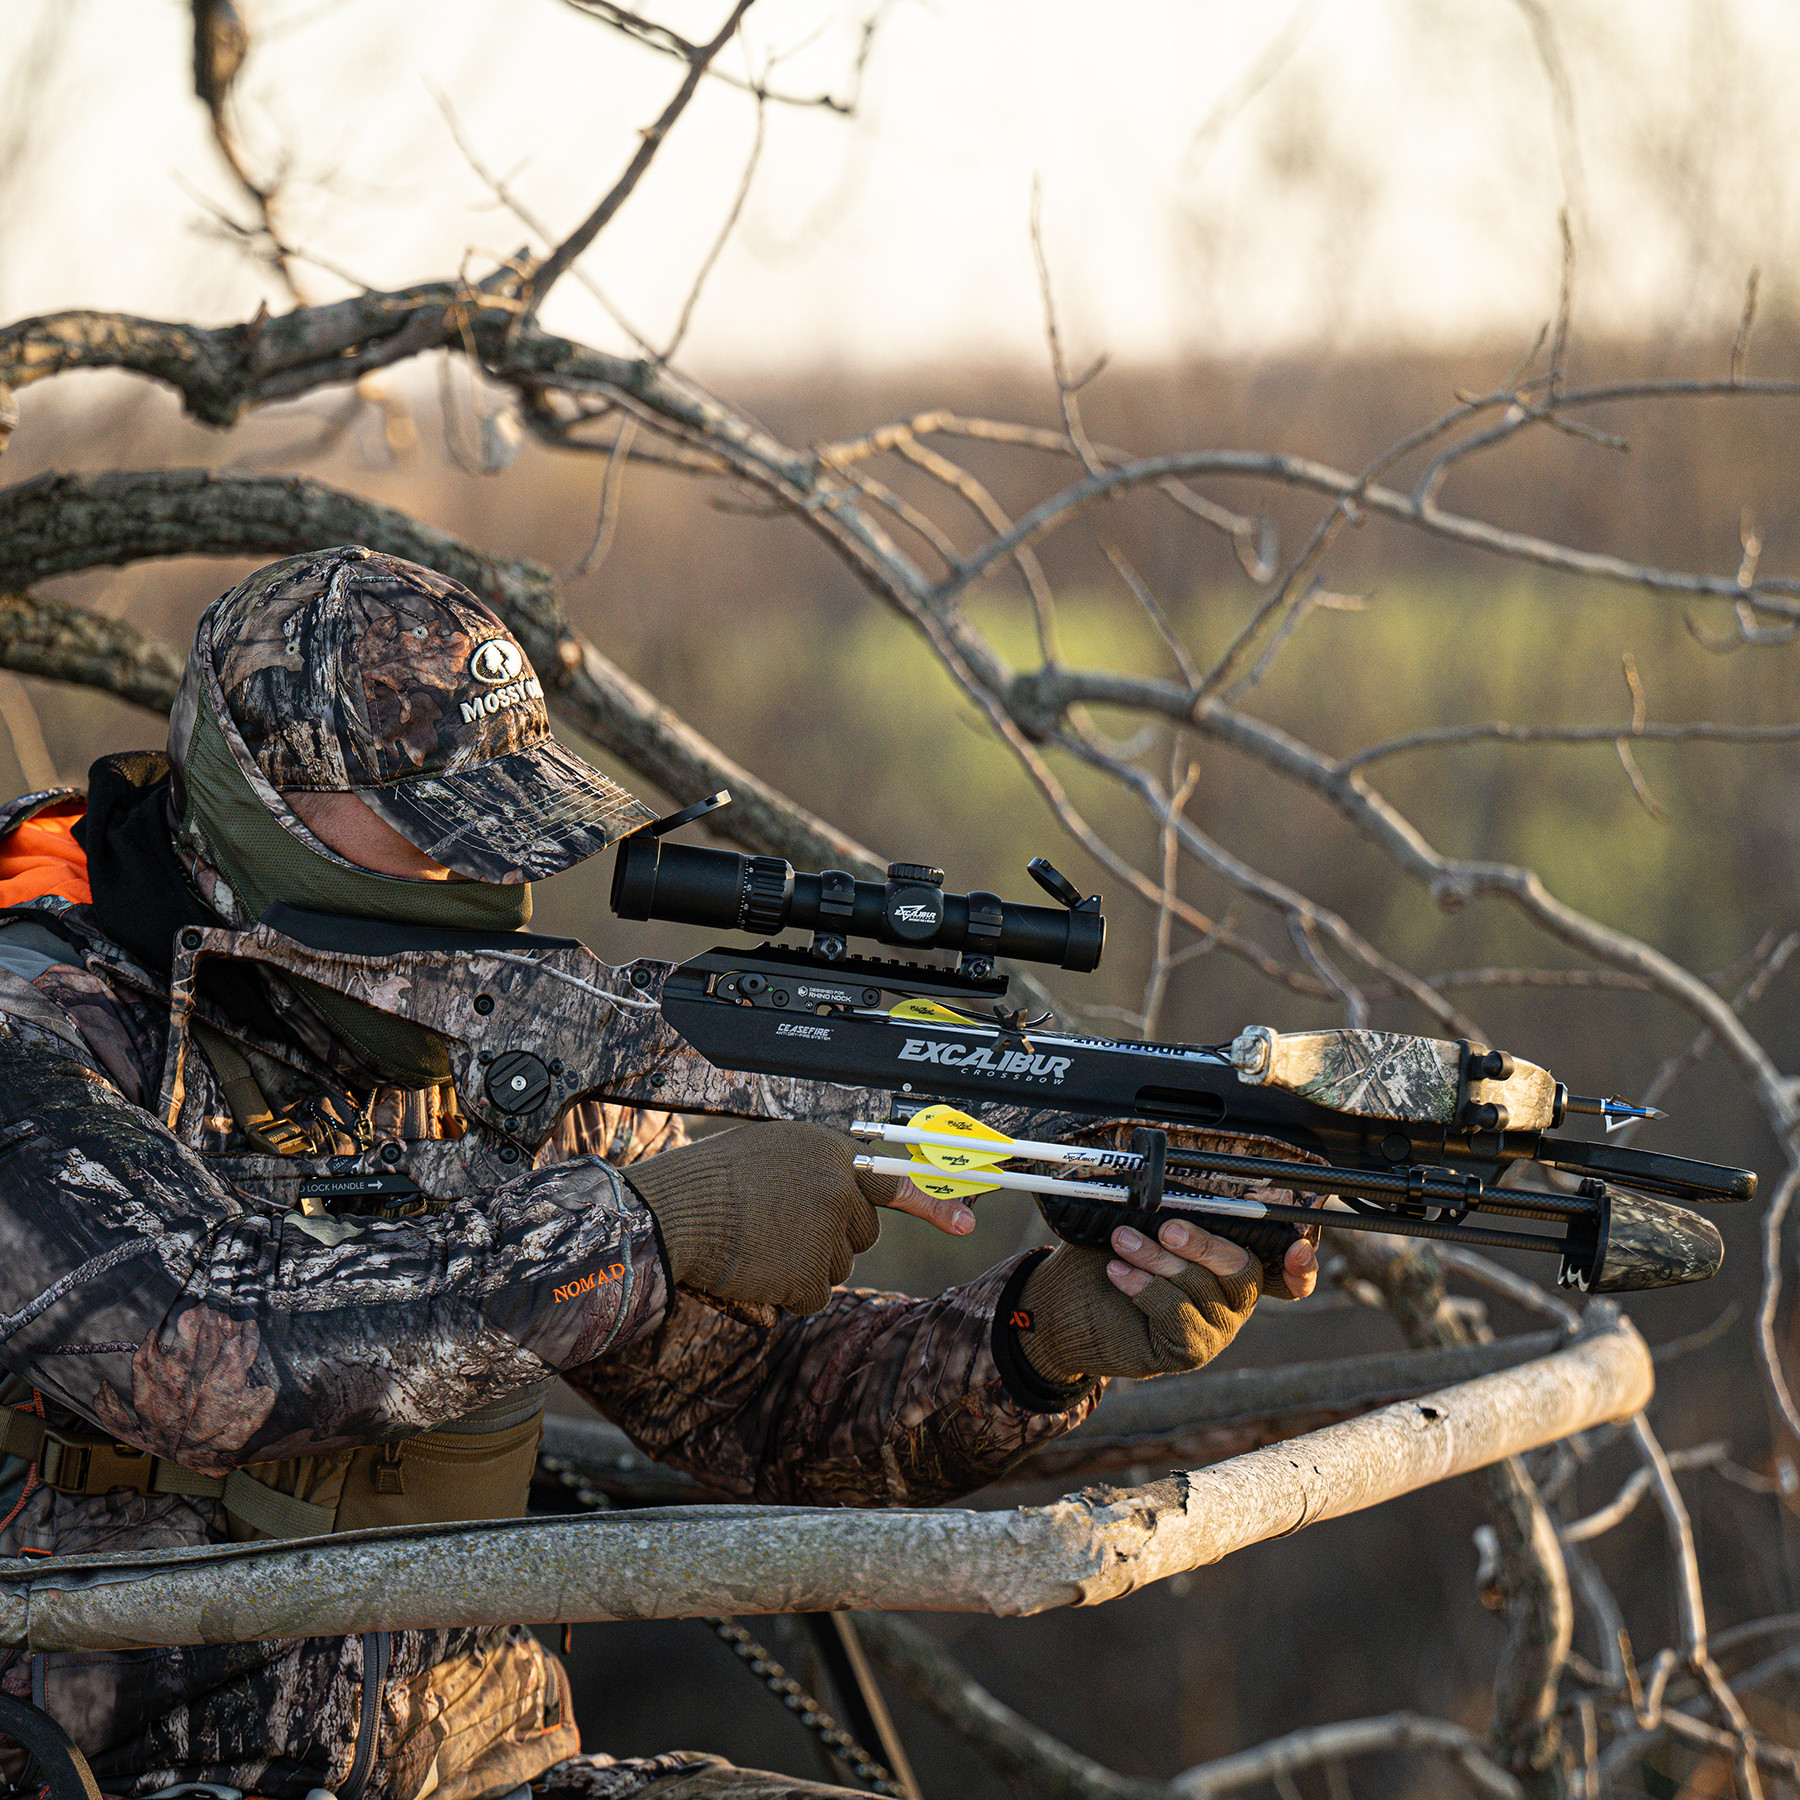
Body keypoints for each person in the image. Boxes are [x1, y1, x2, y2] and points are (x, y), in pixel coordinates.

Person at [0, 546, 1315, 1800]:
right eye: (432, 829)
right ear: (255, 796)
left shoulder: (496, 1041)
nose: (476, 878)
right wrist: (652, 1226)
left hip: (496, 1773)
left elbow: (755, 1403)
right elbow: (203, 1348)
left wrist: (1043, 1336)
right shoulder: (41, 1021)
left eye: (502, 837)